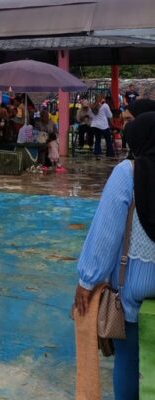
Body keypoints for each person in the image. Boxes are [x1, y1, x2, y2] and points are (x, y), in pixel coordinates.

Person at [74, 112, 155, 399]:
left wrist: (87, 280)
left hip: (134, 291)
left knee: (129, 361)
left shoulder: (128, 173)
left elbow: (106, 233)